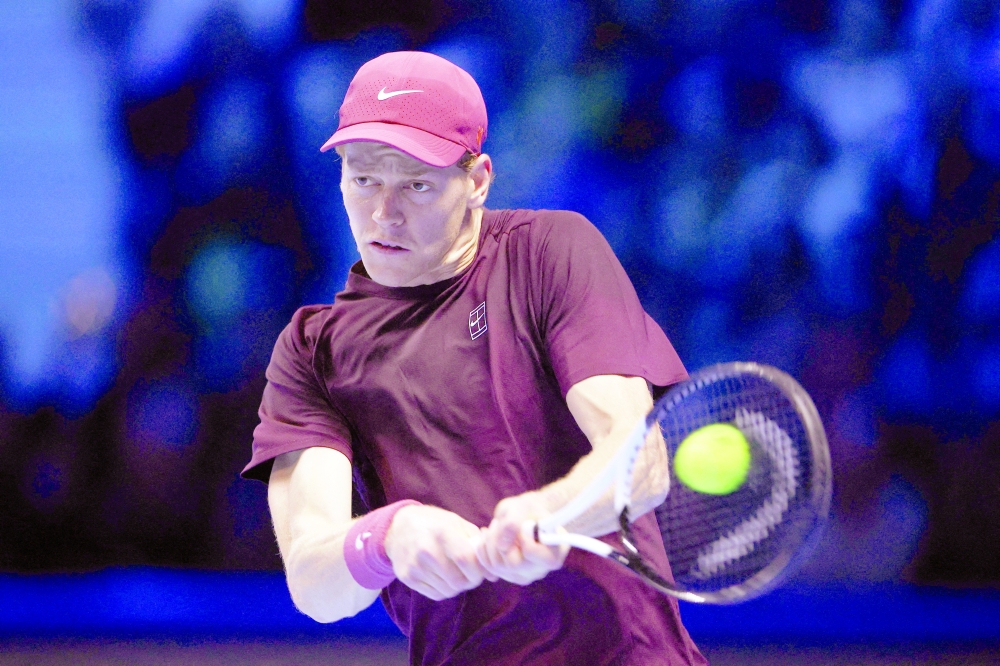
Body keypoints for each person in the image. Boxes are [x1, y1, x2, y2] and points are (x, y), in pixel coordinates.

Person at [243, 51, 706, 665]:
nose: (384, 213)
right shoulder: (312, 352)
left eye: (416, 184)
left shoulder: (551, 253)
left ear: (478, 179)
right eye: (363, 180)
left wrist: (549, 511)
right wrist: (388, 538)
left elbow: (639, 462)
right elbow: (314, 580)